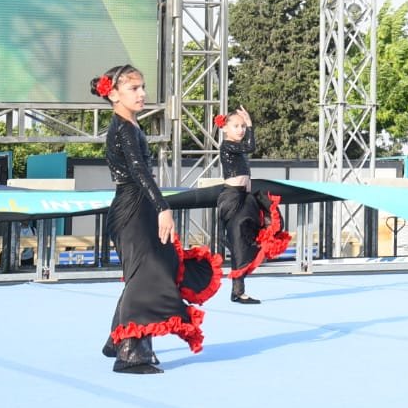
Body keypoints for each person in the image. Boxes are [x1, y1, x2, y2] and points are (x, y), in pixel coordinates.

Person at [95, 64, 220, 373]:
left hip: (138, 206)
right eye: (133, 89)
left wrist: (158, 207)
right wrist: (163, 207)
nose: (142, 94)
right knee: (148, 276)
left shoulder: (130, 126)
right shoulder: (123, 128)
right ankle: (130, 353)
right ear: (113, 95)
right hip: (133, 208)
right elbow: (138, 173)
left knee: (150, 272)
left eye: (142, 87)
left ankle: (121, 339)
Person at [216, 106, 289, 305]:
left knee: (256, 234)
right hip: (232, 199)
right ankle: (238, 292)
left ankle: (238, 291)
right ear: (225, 129)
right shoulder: (227, 145)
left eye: (242, 126)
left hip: (245, 197)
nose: (240, 130)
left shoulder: (237, 149)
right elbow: (250, 146)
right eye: (236, 126)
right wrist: (250, 125)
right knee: (240, 242)